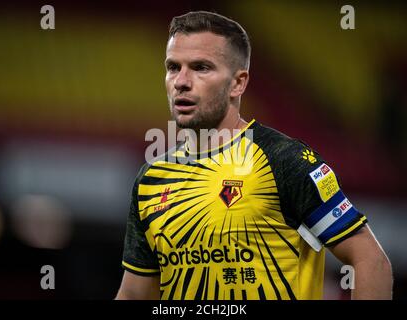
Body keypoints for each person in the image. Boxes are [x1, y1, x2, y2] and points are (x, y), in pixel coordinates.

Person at [115, 11, 392, 300]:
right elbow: (135, 293)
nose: (181, 82)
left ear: (238, 83)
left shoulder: (284, 159)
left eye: (200, 68)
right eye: (173, 67)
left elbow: (371, 262)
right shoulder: (151, 179)